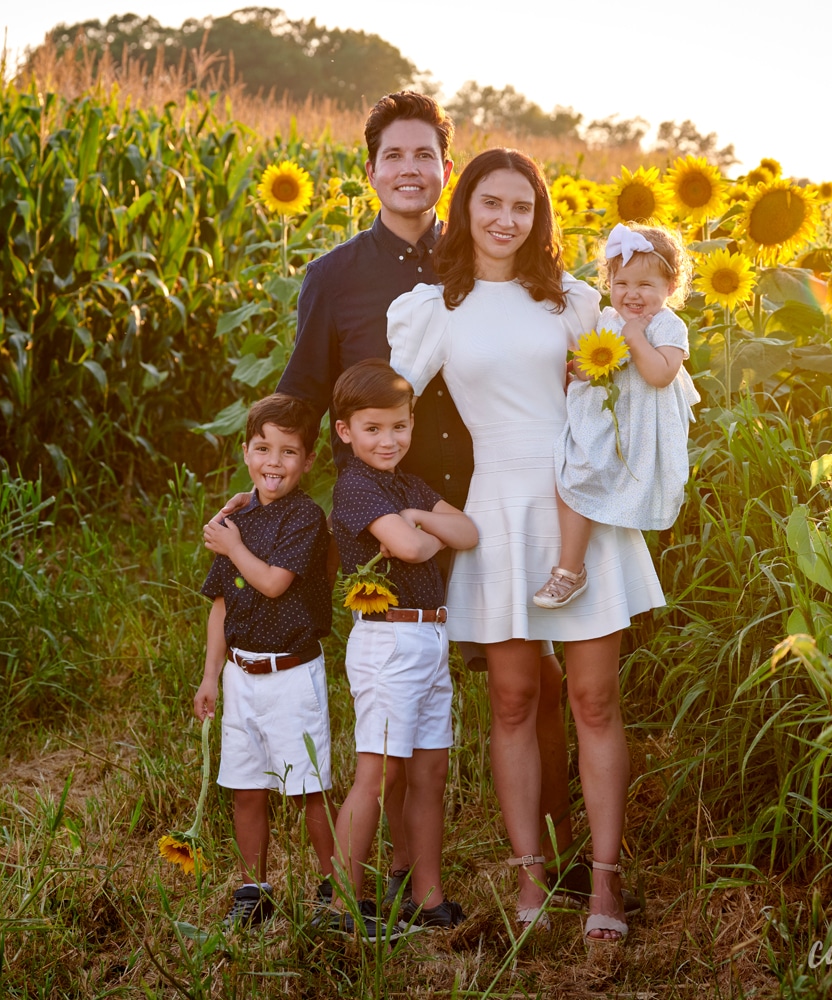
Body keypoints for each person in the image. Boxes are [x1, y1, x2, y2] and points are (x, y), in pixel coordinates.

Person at [264, 90, 579, 902]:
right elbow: (302, 395)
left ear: (447, 169)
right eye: (393, 155)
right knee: (399, 693)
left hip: (488, 502)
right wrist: (268, 494)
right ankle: (402, 872)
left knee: (533, 681)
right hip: (390, 522)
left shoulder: (478, 257)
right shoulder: (333, 277)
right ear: (369, 171)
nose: (410, 169)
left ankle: (558, 848)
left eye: (425, 155)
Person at [388, 148, 666, 941]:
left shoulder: (574, 300)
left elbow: (642, 375)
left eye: (522, 206)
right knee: (511, 700)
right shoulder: (437, 306)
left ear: (539, 215)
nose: (506, 220)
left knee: (593, 700)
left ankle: (606, 888)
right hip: (499, 504)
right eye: (491, 204)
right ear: (465, 206)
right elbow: (381, 406)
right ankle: (529, 886)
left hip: (578, 503)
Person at [326, 359, 478, 938]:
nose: (388, 440)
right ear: (345, 431)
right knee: (380, 771)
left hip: (429, 636)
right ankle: (343, 904)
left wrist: (416, 516)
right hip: (388, 639)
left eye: (399, 426)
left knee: (430, 771)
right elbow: (413, 550)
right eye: (372, 429)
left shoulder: (406, 486)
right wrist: (418, 530)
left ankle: (426, 896)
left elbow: (468, 532)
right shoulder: (356, 486)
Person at [193, 394, 337, 929]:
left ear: (307, 461)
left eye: (289, 452)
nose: (274, 462)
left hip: (292, 674)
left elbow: (274, 583)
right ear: (246, 452)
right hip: (241, 675)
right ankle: (254, 889)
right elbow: (221, 605)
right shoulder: (237, 517)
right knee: (246, 788)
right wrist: (211, 676)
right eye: (263, 448)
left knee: (307, 789)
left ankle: (334, 885)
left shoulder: (305, 517)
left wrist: (232, 547)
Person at [535, 223, 700, 609]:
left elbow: (660, 375)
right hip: (604, 420)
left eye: (646, 285)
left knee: (605, 483)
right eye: (622, 283)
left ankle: (588, 571)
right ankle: (570, 570)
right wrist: (576, 369)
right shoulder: (607, 318)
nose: (632, 294)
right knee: (570, 476)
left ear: (671, 287)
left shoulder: (668, 325)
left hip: (642, 426)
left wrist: (636, 337)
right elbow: (597, 363)